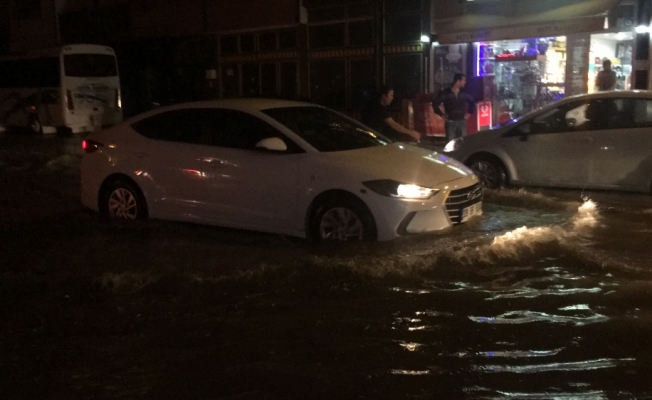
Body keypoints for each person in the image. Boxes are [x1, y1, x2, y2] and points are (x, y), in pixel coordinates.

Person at [432, 73, 476, 142]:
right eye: (463, 80)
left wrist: (469, 113)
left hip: (462, 121)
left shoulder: (464, 93)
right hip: (450, 122)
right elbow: (435, 104)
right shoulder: (446, 93)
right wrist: (442, 114)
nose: (465, 82)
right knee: (450, 144)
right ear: (458, 81)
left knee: (462, 143)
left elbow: (472, 103)